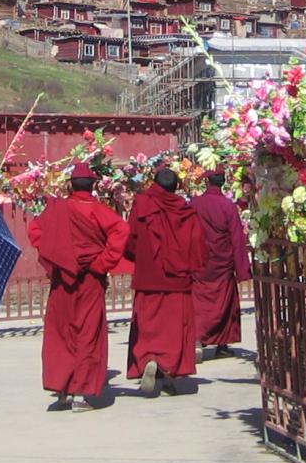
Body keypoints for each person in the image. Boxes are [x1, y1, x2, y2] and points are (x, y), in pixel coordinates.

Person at [28, 161, 129, 411]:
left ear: (70, 185)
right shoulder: (98, 210)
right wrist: (101, 262)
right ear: (94, 185)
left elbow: (35, 232)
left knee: (61, 331)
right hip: (90, 280)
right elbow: (121, 230)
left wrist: (59, 256)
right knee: (88, 331)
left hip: (63, 281)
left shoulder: (57, 210)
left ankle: (62, 389)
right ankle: (82, 394)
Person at [125, 167, 207, 396]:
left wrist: (139, 257)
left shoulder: (142, 205)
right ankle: (169, 370)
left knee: (149, 323)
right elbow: (197, 243)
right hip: (178, 280)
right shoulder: (185, 210)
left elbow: (131, 239)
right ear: (176, 186)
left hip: (148, 276)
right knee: (174, 327)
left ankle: (150, 358)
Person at [190, 170, 251, 359]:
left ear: (207, 182)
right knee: (224, 303)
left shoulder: (194, 204)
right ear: (223, 183)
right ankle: (222, 345)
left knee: (198, 303)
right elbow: (236, 238)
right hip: (222, 263)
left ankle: (197, 341)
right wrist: (242, 270)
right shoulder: (228, 206)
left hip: (199, 262)